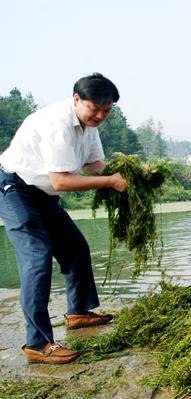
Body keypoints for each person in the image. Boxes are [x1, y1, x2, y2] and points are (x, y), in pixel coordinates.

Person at [0, 73, 127, 364]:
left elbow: (95, 165)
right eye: (94, 109)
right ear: (76, 99)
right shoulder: (56, 123)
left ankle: (78, 312)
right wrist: (110, 182)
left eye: (106, 111)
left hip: (42, 193)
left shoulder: (89, 126)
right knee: (37, 257)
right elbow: (61, 181)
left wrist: (128, 174)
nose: (99, 116)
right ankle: (38, 344)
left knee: (75, 248)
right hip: (15, 188)